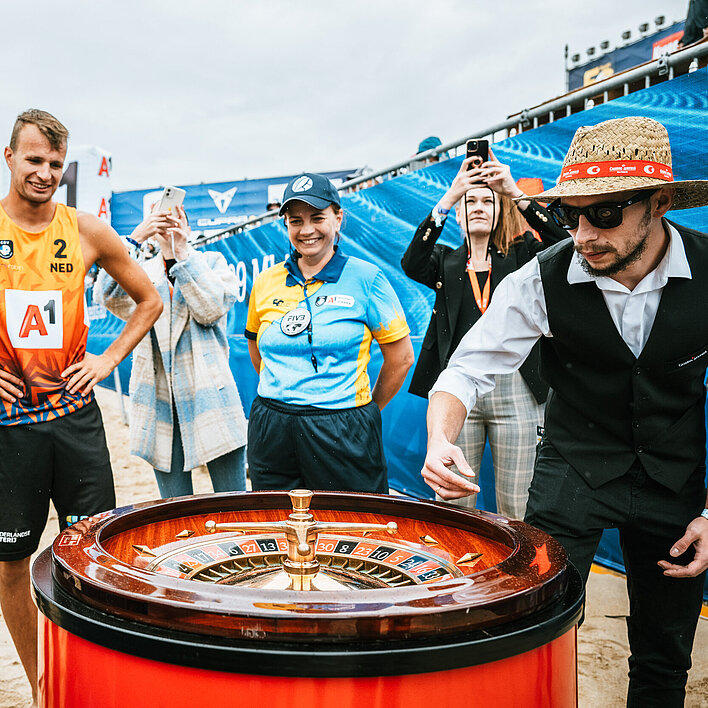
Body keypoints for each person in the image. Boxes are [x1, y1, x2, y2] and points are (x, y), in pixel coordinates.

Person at [422, 116, 708, 707]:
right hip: (573, 470)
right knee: (536, 633)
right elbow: (466, 370)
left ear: (657, 204)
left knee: (664, 655)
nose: (582, 234)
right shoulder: (540, 279)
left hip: (676, 482)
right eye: (573, 213)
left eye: (604, 213)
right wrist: (439, 439)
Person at [0, 109, 162, 703]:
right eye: (33, 159)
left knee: (90, 554)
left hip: (75, 423)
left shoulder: (87, 230)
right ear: (10, 157)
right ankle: (44, 685)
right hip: (8, 430)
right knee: (12, 564)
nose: (43, 172)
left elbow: (148, 299)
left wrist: (106, 361)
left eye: (53, 164)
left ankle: (92, 677)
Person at [401, 151, 566, 519]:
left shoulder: (524, 255)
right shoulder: (445, 261)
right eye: (469, 201)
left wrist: (514, 193)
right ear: (459, 214)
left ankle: (519, 576)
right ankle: (458, 576)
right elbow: (411, 262)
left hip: (519, 387)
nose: (477, 207)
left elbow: (563, 244)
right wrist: (448, 196)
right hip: (459, 392)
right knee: (453, 502)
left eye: (487, 200)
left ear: (500, 209)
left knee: (519, 504)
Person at [246, 172, 414, 493]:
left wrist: (364, 411)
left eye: (317, 218)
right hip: (272, 426)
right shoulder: (266, 281)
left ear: (338, 218)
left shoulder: (367, 277)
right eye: (295, 221)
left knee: (353, 527)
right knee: (277, 524)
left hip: (343, 427)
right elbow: (257, 349)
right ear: (285, 225)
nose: (307, 230)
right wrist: (287, 387)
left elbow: (402, 358)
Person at [97, 206, 248, 498]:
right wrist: (135, 239)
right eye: (160, 220)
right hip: (160, 397)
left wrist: (181, 256)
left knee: (234, 501)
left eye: (177, 221)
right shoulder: (142, 271)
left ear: (189, 230)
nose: (168, 226)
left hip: (210, 395)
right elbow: (108, 295)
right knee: (173, 505)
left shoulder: (211, 262)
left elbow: (211, 309)